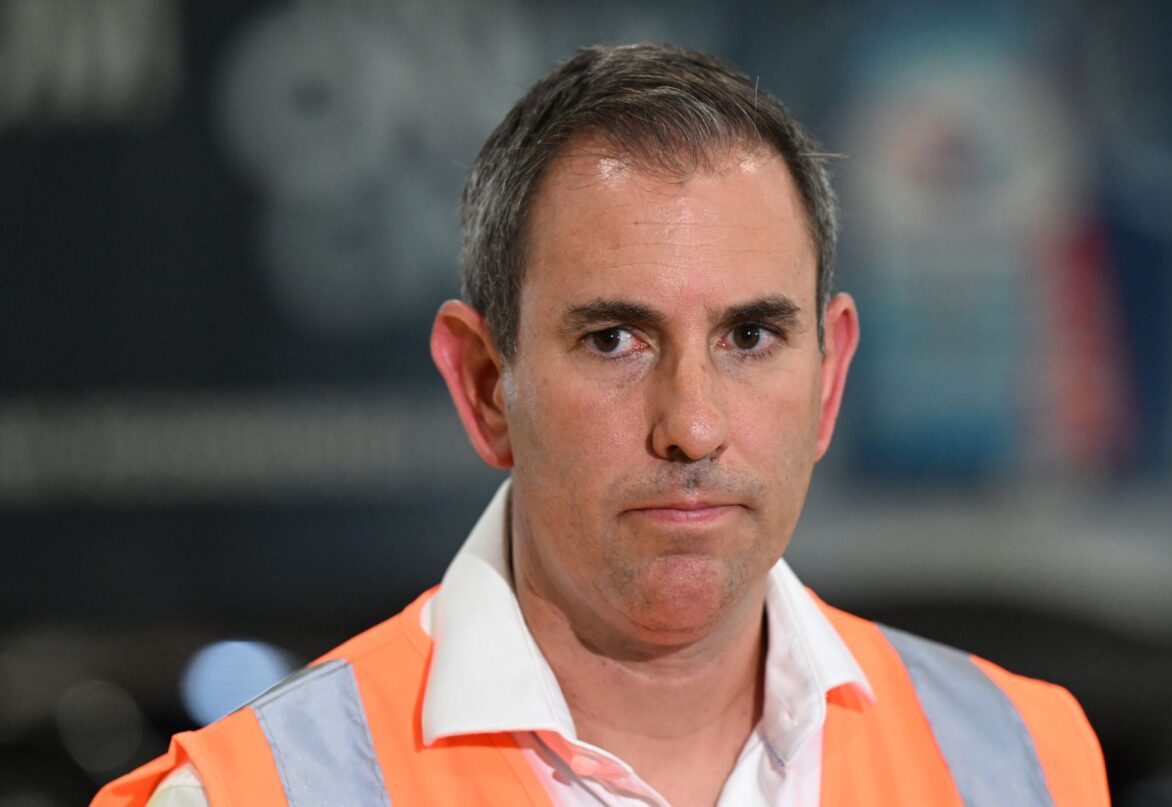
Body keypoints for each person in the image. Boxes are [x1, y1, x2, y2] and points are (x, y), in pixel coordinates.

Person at [93, 43, 1110, 806]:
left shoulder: (1025, 759)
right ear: (487, 385)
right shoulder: (249, 796)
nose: (693, 425)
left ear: (830, 377)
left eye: (751, 335)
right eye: (616, 339)